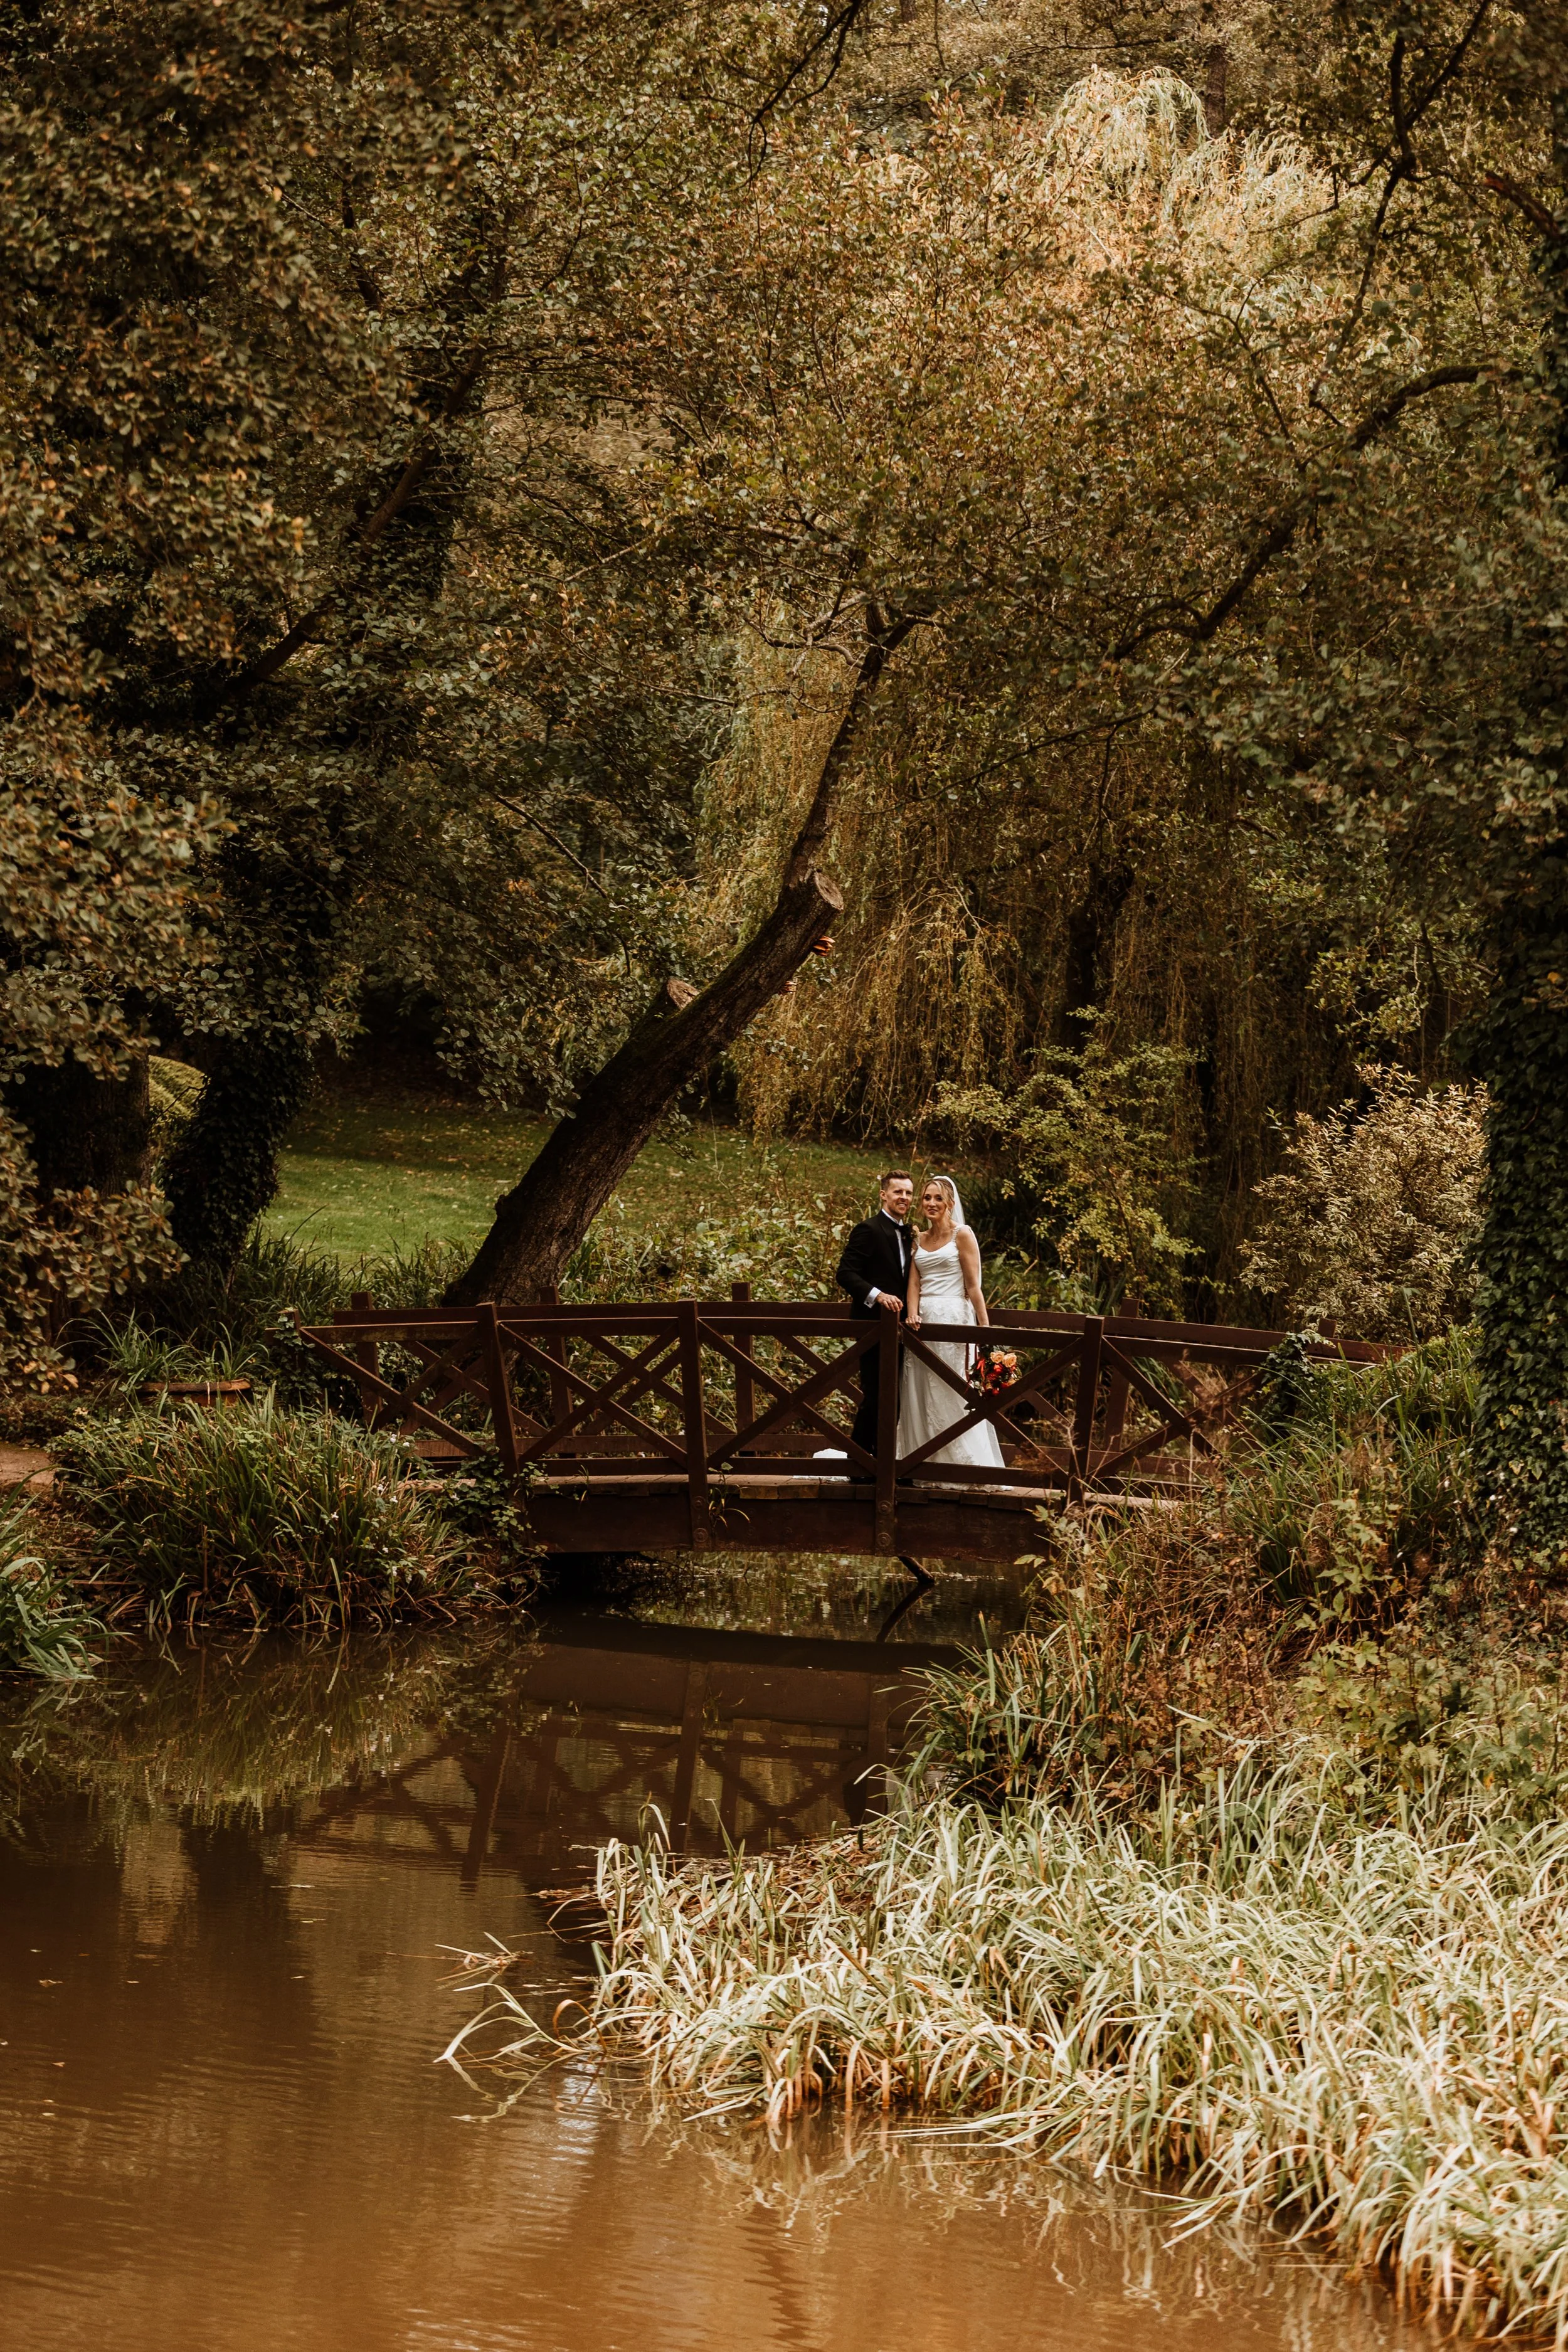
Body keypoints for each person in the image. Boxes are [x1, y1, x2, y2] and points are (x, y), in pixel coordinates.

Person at [903, 1175, 1005, 1471]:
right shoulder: (918, 1238)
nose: (931, 1203)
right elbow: (914, 1283)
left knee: (951, 1389)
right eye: (927, 1198)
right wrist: (912, 1313)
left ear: (950, 1203)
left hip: (954, 1319)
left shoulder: (963, 1234)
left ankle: (963, 1465)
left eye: (938, 1198)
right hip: (923, 1322)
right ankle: (919, 1462)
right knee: (923, 1390)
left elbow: (974, 1286)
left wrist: (984, 1331)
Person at [835, 1170, 914, 1468]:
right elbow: (845, 1273)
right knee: (876, 1394)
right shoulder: (868, 1229)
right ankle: (858, 1462)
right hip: (872, 1327)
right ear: (884, 1195)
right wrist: (877, 1296)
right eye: (898, 1192)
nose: (904, 1198)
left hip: (904, 1328)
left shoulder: (910, 1233)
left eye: (908, 1193)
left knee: (897, 1397)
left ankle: (884, 1460)